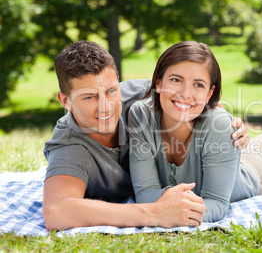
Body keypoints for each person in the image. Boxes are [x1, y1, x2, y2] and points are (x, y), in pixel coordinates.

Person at [42, 41, 250, 231]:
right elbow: (56, 212)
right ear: (65, 101)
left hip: (221, 166)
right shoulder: (69, 146)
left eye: (112, 91)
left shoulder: (136, 95)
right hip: (174, 179)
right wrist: (155, 213)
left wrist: (225, 121)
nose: (105, 107)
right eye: (89, 97)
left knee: (261, 165)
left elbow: (188, 97)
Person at [128, 41, 262, 223]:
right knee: (241, 149)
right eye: (176, 80)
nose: (186, 94)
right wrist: (168, 201)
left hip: (256, 173)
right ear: (159, 83)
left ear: (209, 94)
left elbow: (216, 204)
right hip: (225, 154)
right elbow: (144, 194)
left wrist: (173, 208)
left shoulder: (220, 126)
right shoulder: (140, 115)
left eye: (198, 85)